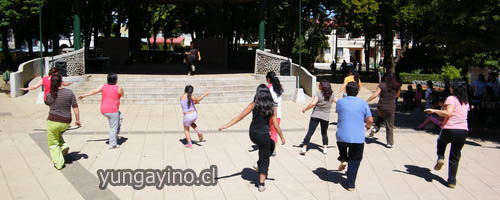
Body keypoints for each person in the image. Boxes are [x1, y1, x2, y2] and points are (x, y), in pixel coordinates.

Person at [219, 84, 285, 192]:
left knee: (269, 146)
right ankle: (261, 183)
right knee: (265, 157)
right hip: (263, 136)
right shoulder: (272, 108)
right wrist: (282, 137)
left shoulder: (253, 104)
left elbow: (240, 116)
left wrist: (226, 126)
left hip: (253, 134)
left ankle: (259, 164)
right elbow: (276, 125)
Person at [424, 79, 470, 189]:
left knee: (441, 142)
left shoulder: (451, 98)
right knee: (455, 156)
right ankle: (452, 181)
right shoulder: (465, 101)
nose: (450, 88)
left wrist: (434, 111)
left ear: (454, 88)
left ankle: (440, 157)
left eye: (451, 86)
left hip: (450, 128)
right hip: (463, 130)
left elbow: (448, 113)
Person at [336, 82, 373, 191]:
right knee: (355, 160)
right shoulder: (363, 103)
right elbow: (370, 120)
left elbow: (339, 114)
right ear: (358, 91)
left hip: (342, 136)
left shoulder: (340, 102)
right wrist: (367, 127)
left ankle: (343, 157)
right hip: (357, 138)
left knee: (341, 144)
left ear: (346, 91)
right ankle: (350, 184)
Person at [44, 74, 80, 169]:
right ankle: (63, 146)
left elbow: (47, 103)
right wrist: (78, 120)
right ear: (61, 82)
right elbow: (75, 107)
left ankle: (59, 163)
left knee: (53, 143)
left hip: (53, 120)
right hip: (66, 121)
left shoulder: (49, 94)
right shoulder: (69, 92)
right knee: (57, 133)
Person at [79, 73, 124, 149]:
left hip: (103, 110)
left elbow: (94, 91)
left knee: (120, 116)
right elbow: (122, 95)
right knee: (113, 128)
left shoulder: (103, 86)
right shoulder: (119, 88)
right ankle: (113, 144)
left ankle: (115, 134)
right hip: (112, 111)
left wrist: (84, 95)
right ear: (116, 80)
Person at [300, 80, 337, 155]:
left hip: (315, 116)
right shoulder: (332, 94)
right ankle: (325, 148)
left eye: (319, 85)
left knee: (310, 132)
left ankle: (304, 147)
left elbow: (313, 103)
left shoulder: (318, 93)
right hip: (325, 117)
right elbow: (339, 102)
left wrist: (305, 109)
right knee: (324, 133)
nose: (318, 86)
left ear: (322, 86)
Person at [366, 73, 401, 148]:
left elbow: (375, 95)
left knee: (380, 117)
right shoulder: (397, 86)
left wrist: (366, 101)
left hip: (381, 106)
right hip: (391, 107)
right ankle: (389, 143)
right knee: (389, 125)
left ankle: (375, 128)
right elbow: (397, 96)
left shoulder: (381, 85)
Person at [266, 72, 283, 156]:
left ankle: (270, 148)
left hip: (269, 113)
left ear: (268, 79)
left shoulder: (268, 88)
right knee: (274, 132)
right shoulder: (279, 88)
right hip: (278, 114)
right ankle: (273, 149)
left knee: (269, 131)